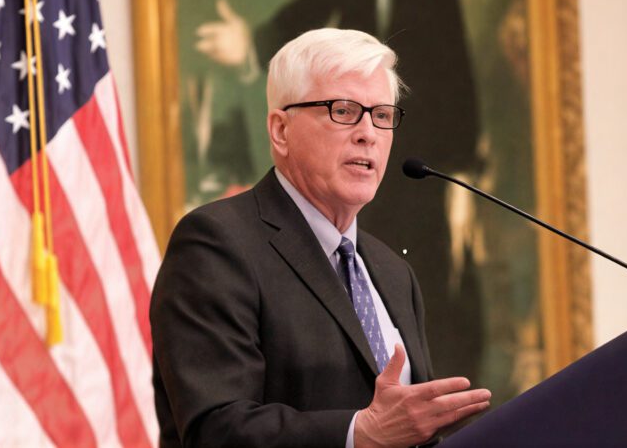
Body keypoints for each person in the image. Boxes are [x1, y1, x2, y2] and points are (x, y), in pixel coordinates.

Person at [151, 29, 491, 447]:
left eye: (382, 115)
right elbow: (215, 429)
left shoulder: (392, 272)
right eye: (344, 110)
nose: (368, 133)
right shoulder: (217, 245)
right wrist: (360, 433)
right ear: (280, 130)